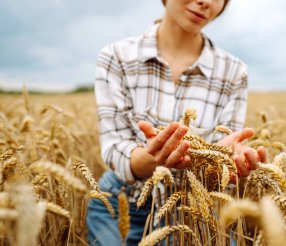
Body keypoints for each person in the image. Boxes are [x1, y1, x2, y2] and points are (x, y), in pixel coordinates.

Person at [86, 0, 266, 245]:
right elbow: (115, 149)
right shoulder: (116, 57)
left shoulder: (234, 72)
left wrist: (226, 161)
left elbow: (221, 161)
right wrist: (154, 158)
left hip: (192, 212)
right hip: (120, 205)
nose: (205, 2)